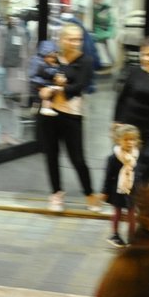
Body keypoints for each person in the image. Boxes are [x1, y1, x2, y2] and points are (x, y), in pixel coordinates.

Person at [32, 22, 99, 213]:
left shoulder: (85, 60)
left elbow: (80, 86)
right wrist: (42, 90)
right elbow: (39, 79)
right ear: (61, 40)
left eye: (78, 39)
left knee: (77, 157)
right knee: (51, 155)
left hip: (72, 115)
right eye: (71, 39)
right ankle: (56, 194)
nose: (75, 43)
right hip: (49, 113)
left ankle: (89, 194)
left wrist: (58, 88)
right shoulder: (53, 58)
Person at [112, 34, 149, 203]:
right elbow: (122, 98)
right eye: (143, 54)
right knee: (126, 166)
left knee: (144, 168)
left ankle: (138, 204)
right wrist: (116, 122)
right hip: (129, 130)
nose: (146, 58)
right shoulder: (134, 72)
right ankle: (127, 205)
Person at [101, 123, 142, 249]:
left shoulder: (137, 155)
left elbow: (139, 173)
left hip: (132, 189)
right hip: (117, 190)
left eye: (133, 139)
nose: (130, 142)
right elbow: (108, 176)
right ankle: (115, 234)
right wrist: (104, 191)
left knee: (132, 214)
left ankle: (132, 237)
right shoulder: (113, 158)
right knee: (117, 212)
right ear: (119, 140)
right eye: (126, 139)